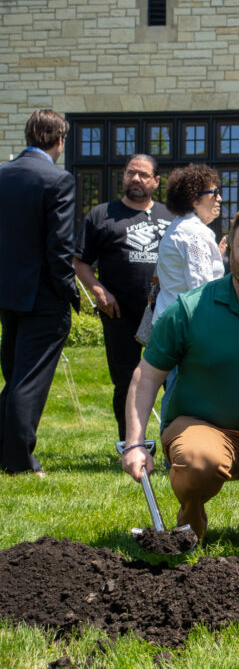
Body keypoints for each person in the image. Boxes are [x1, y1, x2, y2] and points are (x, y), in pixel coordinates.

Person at [120, 202, 239, 541]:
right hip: (199, 428)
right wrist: (135, 443)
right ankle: (189, 525)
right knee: (199, 462)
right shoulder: (190, 309)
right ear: (229, 249)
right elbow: (147, 375)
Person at [0, 109, 79, 477]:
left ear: (29, 134)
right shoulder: (58, 179)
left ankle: (5, 451)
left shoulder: (2, 174)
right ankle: (19, 461)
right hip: (44, 294)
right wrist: (68, 291)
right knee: (28, 379)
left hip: (7, 293)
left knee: (15, 373)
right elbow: (60, 247)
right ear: (59, 140)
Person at [74, 154, 173, 440]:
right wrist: (98, 291)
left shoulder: (171, 216)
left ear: (156, 181)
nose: (136, 179)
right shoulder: (101, 215)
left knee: (173, 379)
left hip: (163, 311)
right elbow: (80, 261)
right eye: (131, 173)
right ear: (124, 177)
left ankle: (172, 441)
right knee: (126, 380)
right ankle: (129, 442)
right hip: (119, 312)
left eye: (143, 175)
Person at [155, 164, 225, 322]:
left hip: (170, 318)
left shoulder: (179, 226)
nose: (219, 198)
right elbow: (201, 290)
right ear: (194, 200)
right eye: (214, 193)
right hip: (186, 325)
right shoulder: (195, 233)